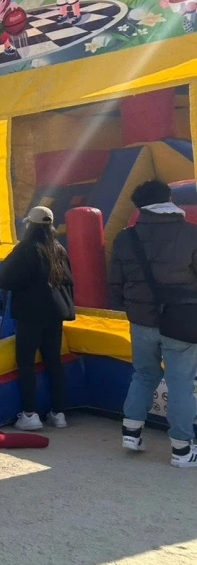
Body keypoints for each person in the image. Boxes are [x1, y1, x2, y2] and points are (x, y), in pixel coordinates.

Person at [109, 180, 197, 468]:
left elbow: (116, 284)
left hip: (141, 321)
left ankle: (131, 434)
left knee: (143, 375)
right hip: (182, 320)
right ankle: (182, 451)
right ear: (169, 199)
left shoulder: (125, 238)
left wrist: (134, 308)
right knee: (181, 383)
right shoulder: (191, 235)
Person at [0, 206, 74, 431]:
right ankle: (59, 413)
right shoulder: (58, 248)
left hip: (31, 313)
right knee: (53, 361)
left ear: (31, 225)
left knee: (26, 362)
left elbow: (5, 279)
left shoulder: (26, 248)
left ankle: (30, 414)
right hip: (56, 313)